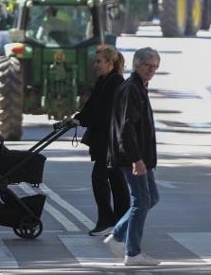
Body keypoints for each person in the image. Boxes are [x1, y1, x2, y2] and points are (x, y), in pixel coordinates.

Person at [103, 47, 161, 267]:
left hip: (141, 157)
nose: (151, 70)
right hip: (132, 156)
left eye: (155, 67)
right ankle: (132, 252)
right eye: (148, 65)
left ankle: (117, 236)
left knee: (151, 197)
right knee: (141, 200)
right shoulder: (132, 89)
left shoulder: (139, 87)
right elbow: (126, 128)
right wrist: (136, 159)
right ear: (137, 64)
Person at [75, 45, 129, 237]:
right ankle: (122, 221)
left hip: (111, 141)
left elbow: (104, 113)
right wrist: (77, 118)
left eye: (99, 61)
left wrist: (83, 119)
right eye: (95, 61)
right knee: (115, 179)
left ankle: (107, 221)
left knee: (100, 178)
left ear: (110, 63)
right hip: (104, 140)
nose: (95, 65)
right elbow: (91, 107)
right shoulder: (103, 81)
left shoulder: (115, 83)